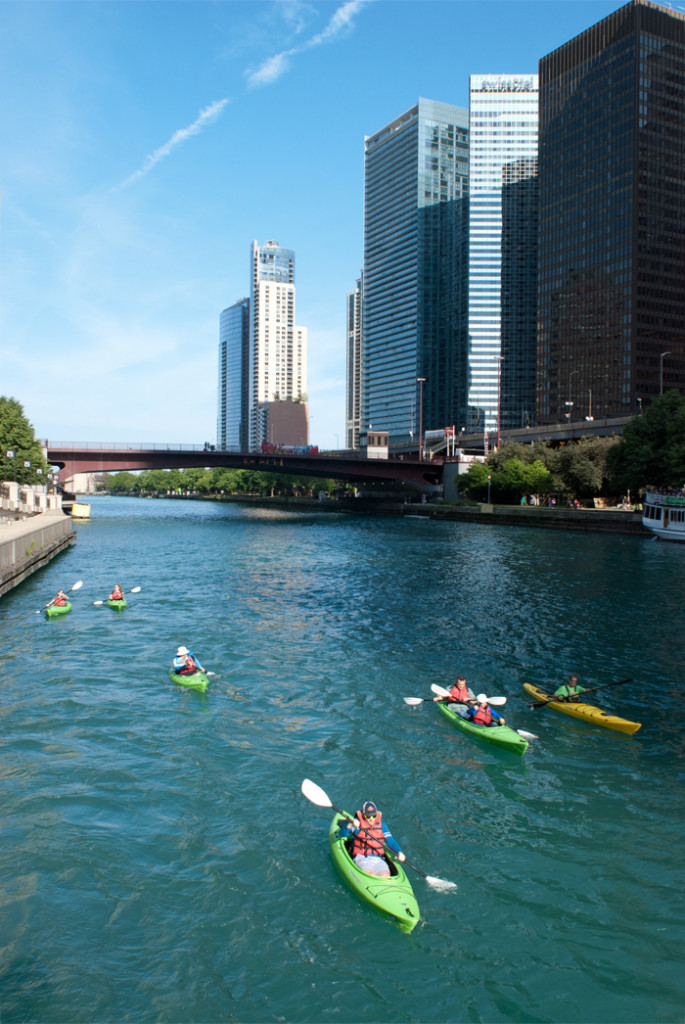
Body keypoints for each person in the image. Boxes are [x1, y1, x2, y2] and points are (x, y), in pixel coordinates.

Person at [338, 801, 407, 878]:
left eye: (374, 816)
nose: (371, 819)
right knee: (371, 874)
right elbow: (341, 834)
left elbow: (390, 841)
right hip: (362, 857)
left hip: (378, 858)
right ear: (364, 815)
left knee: (385, 876)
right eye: (368, 816)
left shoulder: (381, 824)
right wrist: (351, 824)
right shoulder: (358, 823)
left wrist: (399, 852)